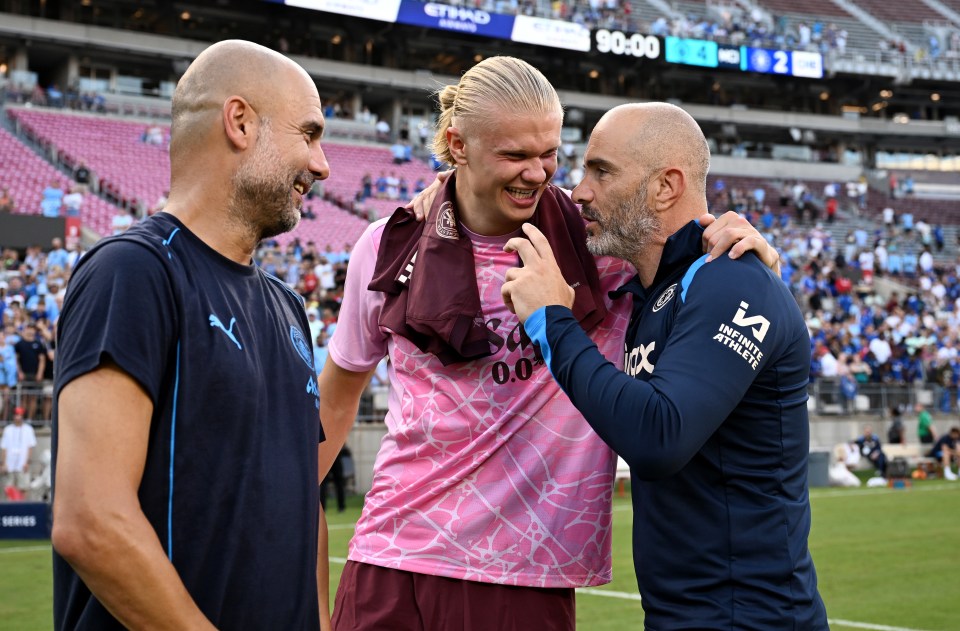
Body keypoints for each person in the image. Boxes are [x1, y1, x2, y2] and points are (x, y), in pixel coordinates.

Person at [319, 58, 779, 631]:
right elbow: (337, 397)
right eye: (515, 156)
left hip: (522, 573)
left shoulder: (598, 249)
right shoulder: (387, 246)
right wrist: (290, 514)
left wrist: (731, 234)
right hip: (388, 554)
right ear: (457, 145)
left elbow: (673, 239)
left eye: (550, 155)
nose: (537, 174)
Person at [499, 102, 827, 629]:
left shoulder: (732, 279)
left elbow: (659, 437)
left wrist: (550, 321)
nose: (581, 191)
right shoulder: (647, 295)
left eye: (601, 171)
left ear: (666, 186)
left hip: (751, 618)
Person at [51, 40, 330, 630]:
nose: (322, 164)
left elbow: (307, 508)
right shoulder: (132, 272)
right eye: (308, 134)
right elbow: (92, 520)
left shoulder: (288, 307)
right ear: (240, 122)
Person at [1, 406, 36, 499]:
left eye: (20, 415)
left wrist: (27, 462)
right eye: (16, 415)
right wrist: (4, 463)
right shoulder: (8, 429)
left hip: (22, 462)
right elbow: (4, 447)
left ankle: (22, 508)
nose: (18, 417)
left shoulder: (28, 429)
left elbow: (30, 447)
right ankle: (10, 510)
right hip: (10, 462)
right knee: (9, 487)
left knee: (23, 487)